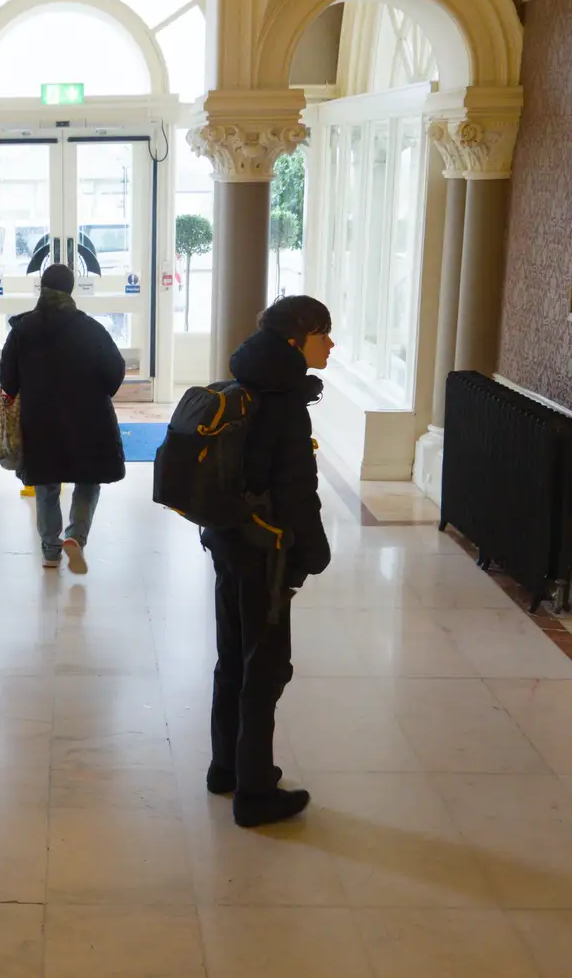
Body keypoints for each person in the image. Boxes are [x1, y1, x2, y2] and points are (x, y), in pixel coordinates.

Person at [202, 295, 334, 827]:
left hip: (230, 543)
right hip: (265, 554)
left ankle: (225, 769)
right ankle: (255, 794)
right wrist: (315, 553)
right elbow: (298, 490)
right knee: (266, 668)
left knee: (232, 657)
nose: (330, 344)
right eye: (323, 333)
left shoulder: (244, 386)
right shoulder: (284, 403)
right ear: (294, 340)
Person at [0, 263, 126, 573]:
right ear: (70, 290)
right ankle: (77, 537)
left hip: (40, 419)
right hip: (89, 418)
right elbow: (115, 371)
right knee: (88, 478)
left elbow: (7, 378)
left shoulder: (22, 330)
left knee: (46, 483)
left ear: (42, 287)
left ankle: (50, 550)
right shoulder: (91, 328)